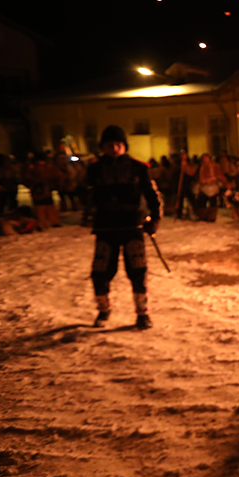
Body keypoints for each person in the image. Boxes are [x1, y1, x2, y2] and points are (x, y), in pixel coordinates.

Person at [85, 125, 162, 329]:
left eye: (118, 144)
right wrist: (89, 210)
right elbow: (86, 195)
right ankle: (103, 310)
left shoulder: (139, 168)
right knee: (100, 272)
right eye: (110, 145)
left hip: (132, 225)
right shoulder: (94, 169)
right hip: (106, 227)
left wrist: (154, 219)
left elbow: (152, 195)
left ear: (124, 146)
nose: (115, 148)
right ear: (103, 147)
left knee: (138, 271)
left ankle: (142, 314)